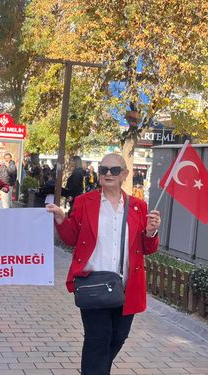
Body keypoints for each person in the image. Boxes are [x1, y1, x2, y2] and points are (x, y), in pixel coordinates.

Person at [46, 153, 161, 375]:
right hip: (93, 284)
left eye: (114, 170)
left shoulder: (138, 206)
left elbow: (148, 248)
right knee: (98, 340)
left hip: (127, 288)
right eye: (103, 169)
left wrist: (151, 231)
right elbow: (72, 238)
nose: (108, 174)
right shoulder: (84, 202)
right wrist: (61, 218)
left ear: (124, 175)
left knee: (117, 338)